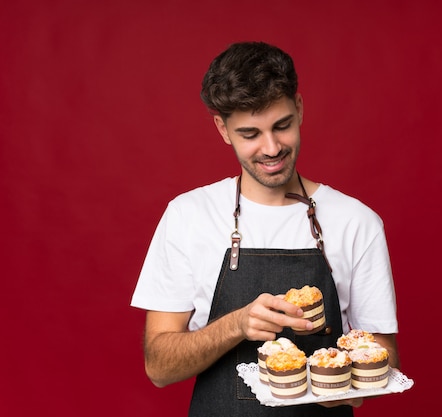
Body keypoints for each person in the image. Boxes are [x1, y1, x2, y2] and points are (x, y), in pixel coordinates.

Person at [131, 41, 400, 417]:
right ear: (223, 130)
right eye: (250, 134)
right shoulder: (188, 216)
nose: (271, 148)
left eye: (282, 126)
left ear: (300, 109)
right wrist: (238, 324)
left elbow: (381, 355)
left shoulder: (357, 222)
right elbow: (158, 367)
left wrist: (341, 385)